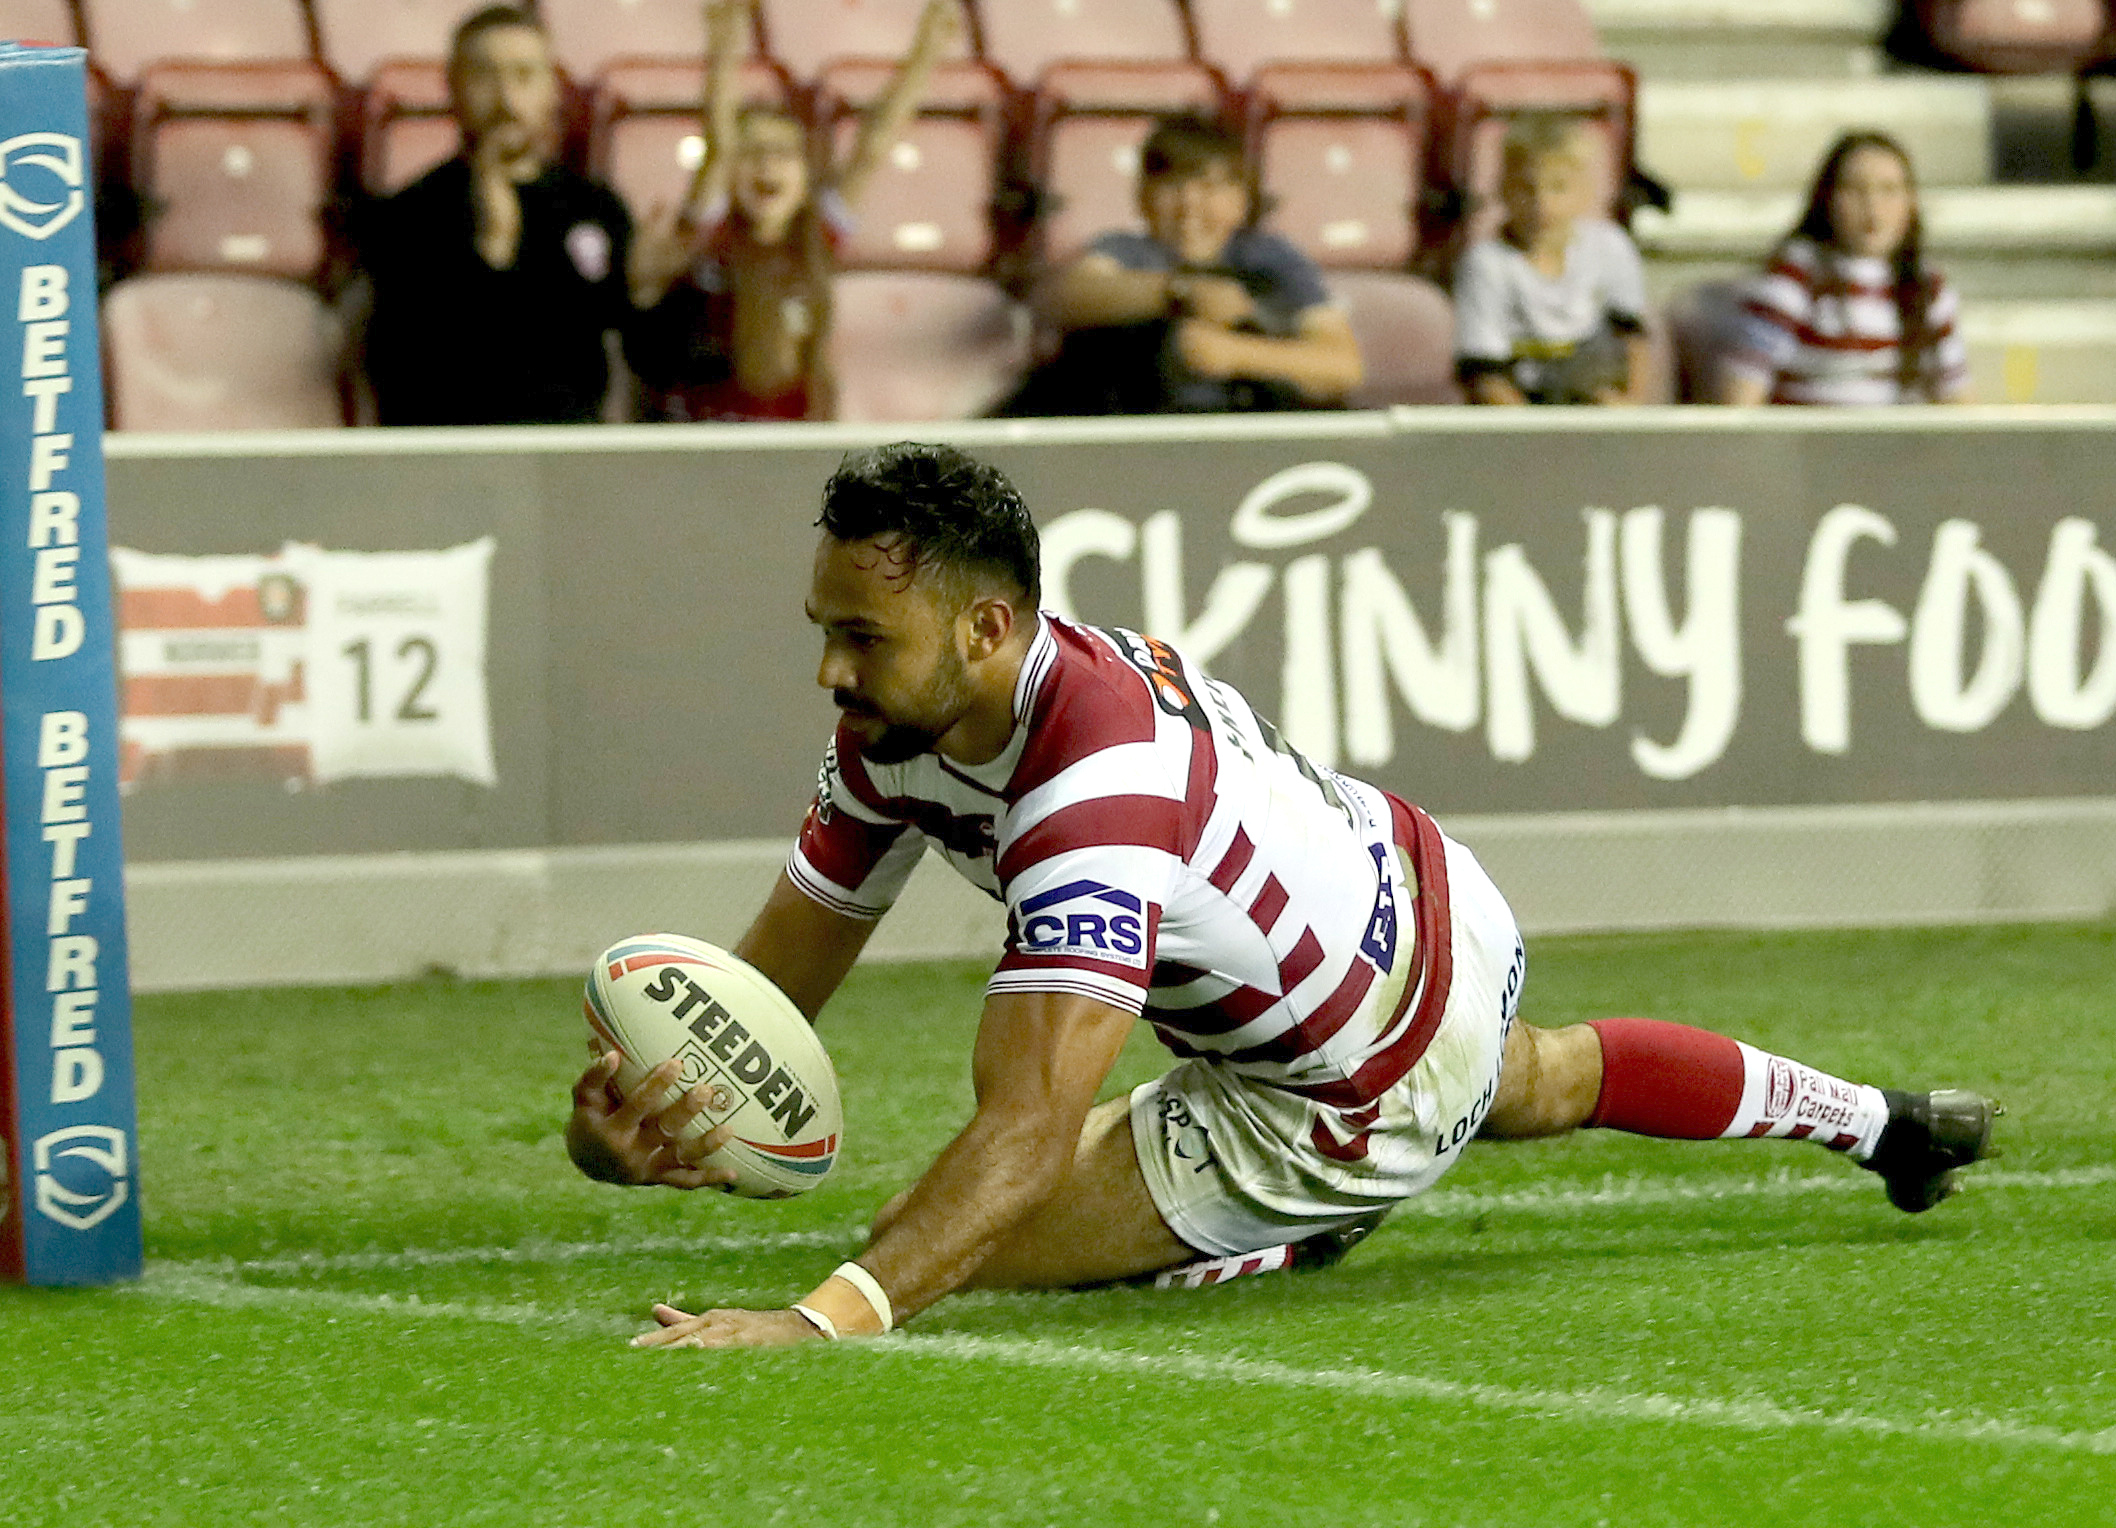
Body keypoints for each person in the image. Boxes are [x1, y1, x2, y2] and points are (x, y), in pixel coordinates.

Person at [563, 441, 2000, 1350]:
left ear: (986, 626)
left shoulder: (1094, 792)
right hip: (1433, 902)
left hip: (1340, 1089)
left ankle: (1301, 1221)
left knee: (924, 1235)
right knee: (1539, 1079)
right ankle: (1885, 1125)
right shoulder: (925, 714)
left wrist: (824, 1320)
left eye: (862, 637)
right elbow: (765, 996)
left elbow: (1027, 1129)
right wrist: (662, 1105)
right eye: (824, 630)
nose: (830, 670)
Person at [626, 0, 964, 422]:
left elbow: (871, 149)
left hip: (795, 437)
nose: (768, 165)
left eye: (784, 154)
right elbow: (718, 143)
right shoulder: (710, 234)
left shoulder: (816, 237)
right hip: (708, 436)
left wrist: (925, 54)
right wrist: (724, 50)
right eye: (753, 152)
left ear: (806, 178)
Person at [357, 7, 647, 426]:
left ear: (553, 89)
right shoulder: (406, 217)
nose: (507, 99)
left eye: (524, 75)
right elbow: (403, 376)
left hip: (568, 453)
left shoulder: (596, 207)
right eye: (484, 76)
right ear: (452, 87)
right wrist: (492, 253)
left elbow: (648, 359)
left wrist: (649, 291)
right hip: (449, 455)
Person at [1013, 114, 1363, 415]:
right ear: (1142, 196)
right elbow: (1065, 296)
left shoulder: (1271, 260)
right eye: (1173, 186)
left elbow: (1342, 365)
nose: (1190, 204)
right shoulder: (1126, 252)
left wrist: (1234, 354)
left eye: (1210, 187)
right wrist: (1177, 294)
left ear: (1241, 199)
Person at [1722, 131, 1970, 406]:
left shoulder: (1927, 286)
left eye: (1889, 190)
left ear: (1911, 202)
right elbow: (1742, 393)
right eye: (1855, 189)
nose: (1873, 207)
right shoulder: (1796, 274)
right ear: (1828, 198)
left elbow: (1957, 400)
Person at [1453, 114, 1650, 406]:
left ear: (1585, 192)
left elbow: (1633, 342)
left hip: (1598, 409)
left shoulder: (1611, 247)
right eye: (1526, 188)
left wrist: (1629, 408)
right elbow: (1485, 374)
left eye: (1558, 187)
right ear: (1503, 189)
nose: (1541, 203)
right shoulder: (1485, 265)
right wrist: (1534, 429)